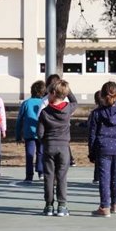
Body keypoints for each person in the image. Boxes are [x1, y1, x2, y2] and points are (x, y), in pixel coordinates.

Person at [38, 79, 78, 217]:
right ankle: (62, 206)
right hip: (63, 147)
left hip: (49, 146)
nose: (47, 95)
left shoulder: (44, 112)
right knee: (62, 176)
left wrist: (44, 141)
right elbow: (75, 102)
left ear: (53, 93)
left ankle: (49, 205)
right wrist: (67, 89)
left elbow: (40, 133)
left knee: (49, 176)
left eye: (48, 93)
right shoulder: (67, 109)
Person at [88, 82, 116, 217]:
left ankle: (104, 206)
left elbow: (92, 134)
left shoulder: (96, 113)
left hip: (103, 147)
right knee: (115, 177)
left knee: (104, 178)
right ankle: (115, 204)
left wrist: (92, 152)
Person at [40, 74, 77, 167]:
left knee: (49, 173)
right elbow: (75, 102)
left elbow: (39, 126)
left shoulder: (45, 105)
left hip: (50, 141)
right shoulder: (67, 106)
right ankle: (71, 159)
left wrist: (43, 139)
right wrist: (67, 90)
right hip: (63, 140)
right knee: (61, 174)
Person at [88, 91, 103, 185]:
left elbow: (91, 129)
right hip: (107, 141)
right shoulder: (113, 112)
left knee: (98, 160)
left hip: (98, 140)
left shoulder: (95, 113)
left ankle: (97, 177)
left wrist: (91, 147)